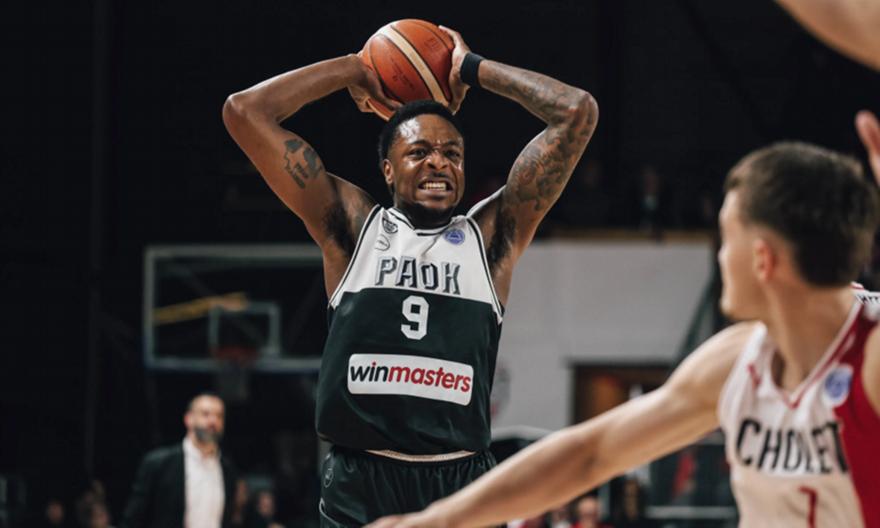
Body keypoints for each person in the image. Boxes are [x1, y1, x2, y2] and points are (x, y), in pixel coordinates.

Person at [366, 141, 880, 528]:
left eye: (727, 238)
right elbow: (591, 453)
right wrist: (437, 521)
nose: (719, 256)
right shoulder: (737, 361)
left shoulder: (869, 359)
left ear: (762, 259)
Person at [222, 25, 597, 527]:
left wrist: (471, 68)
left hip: (460, 478)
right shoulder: (352, 227)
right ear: (388, 169)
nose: (438, 162)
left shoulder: (491, 238)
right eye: (419, 152)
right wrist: (357, 68)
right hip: (361, 476)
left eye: (452, 154)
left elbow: (576, 112)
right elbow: (244, 112)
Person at [120, 393, 238, 528]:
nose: (213, 421)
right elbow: (133, 519)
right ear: (188, 419)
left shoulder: (228, 470)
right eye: (205, 414)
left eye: (219, 416)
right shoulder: (159, 463)